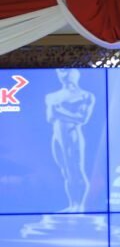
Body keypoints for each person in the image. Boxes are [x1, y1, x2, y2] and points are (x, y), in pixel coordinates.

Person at [45, 68, 95, 212]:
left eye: (67, 71)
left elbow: (82, 118)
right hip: (57, 135)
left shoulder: (85, 95)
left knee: (75, 169)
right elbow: (50, 118)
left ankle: (79, 206)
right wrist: (57, 111)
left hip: (72, 133)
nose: (64, 75)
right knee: (66, 171)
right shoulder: (52, 96)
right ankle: (73, 204)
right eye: (61, 72)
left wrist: (60, 111)